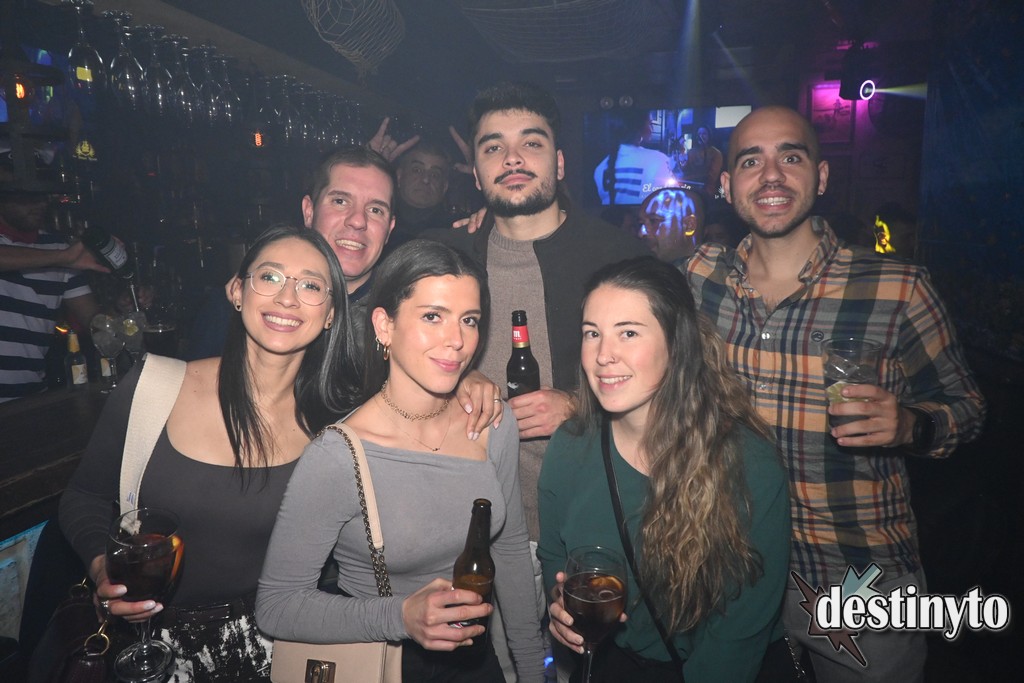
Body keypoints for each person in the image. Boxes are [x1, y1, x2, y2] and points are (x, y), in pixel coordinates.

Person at [686, 105, 986, 682]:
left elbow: (967, 408)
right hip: (732, 567)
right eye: (751, 161)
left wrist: (912, 425)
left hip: (856, 575)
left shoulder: (897, 288)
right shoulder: (699, 279)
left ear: (821, 177)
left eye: (790, 156)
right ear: (725, 185)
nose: (771, 175)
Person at [59, 225, 357, 682]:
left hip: (269, 651)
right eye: (270, 277)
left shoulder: (334, 428)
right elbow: (83, 496)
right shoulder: (154, 387)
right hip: (147, 648)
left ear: (331, 313)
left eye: (311, 286)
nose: (287, 298)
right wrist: (103, 569)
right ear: (237, 291)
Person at [429, 81, 651, 679]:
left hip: (594, 521)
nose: (512, 158)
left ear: (559, 161)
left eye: (531, 143)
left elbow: (680, 382)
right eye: (492, 147)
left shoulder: (620, 257)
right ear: (475, 171)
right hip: (477, 525)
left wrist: (580, 405)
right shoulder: (445, 256)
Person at [256, 239, 546, 682]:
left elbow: (508, 551)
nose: (457, 341)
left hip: (475, 665)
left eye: (469, 320)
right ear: (384, 326)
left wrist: (531, 672)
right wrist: (401, 616)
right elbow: (277, 607)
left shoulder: (492, 423)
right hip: (385, 664)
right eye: (433, 316)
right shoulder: (337, 456)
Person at [538, 257, 790, 682]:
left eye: (628, 333)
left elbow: (737, 640)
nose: (603, 355)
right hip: (610, 665)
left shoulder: (750, 466)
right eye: (592, 333)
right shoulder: (569, 446)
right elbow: (553, 556)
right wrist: (559, 606)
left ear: (677, 343)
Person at [1, 175, 105, 401]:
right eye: (29, 197)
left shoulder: (58, 248)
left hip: (28, 395)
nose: (41, 204)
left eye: (43, 196)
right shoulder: (62, 254)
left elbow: (92, 319)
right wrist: (62, 257)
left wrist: (123, 314)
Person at [593, 109, 676, 205]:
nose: (652, 128)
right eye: (650, 123)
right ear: (639, 127)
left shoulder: (599, 168)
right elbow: (672, 197)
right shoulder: (659, 159)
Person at [637, 185, 705, 265]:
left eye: (653, 221)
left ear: (689, 225)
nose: (641, 233)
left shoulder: (712, 270)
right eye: (641, 223)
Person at [676, 126, 723, 198]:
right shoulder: (692, 152)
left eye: (704, 134)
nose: (701, 136)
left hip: (707, 192)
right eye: (699, 134)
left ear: (709, 136)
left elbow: (711, 177)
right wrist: (681, 153)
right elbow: (684, 169)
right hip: (690, 189)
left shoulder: (716, 153)